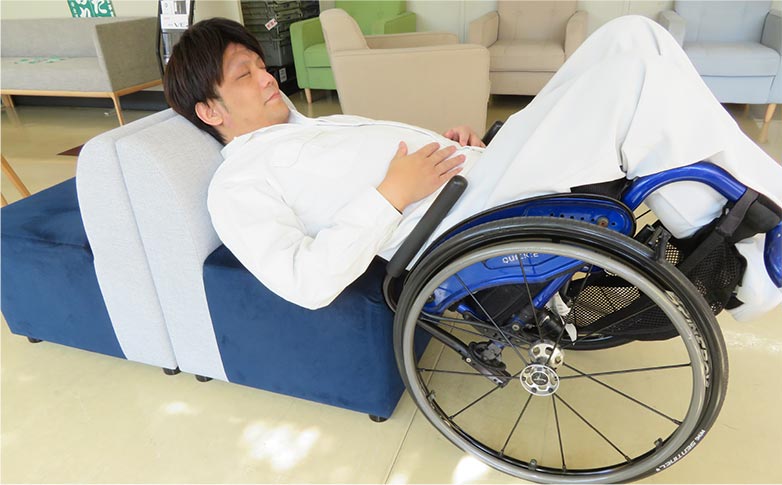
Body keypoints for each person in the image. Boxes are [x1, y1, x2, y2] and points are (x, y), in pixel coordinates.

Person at [163, 15, 782, 317]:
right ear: (210, 110)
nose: (266, 77)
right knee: (634, 75)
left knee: (630, 36)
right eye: (244, 75)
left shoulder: (312, 127)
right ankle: (738, 259)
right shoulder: (239, 183)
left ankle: (729, 230)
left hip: (480, 178)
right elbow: (305, 284)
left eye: (260, 64)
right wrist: (390, 195)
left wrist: (463, 147)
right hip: (458, 226)